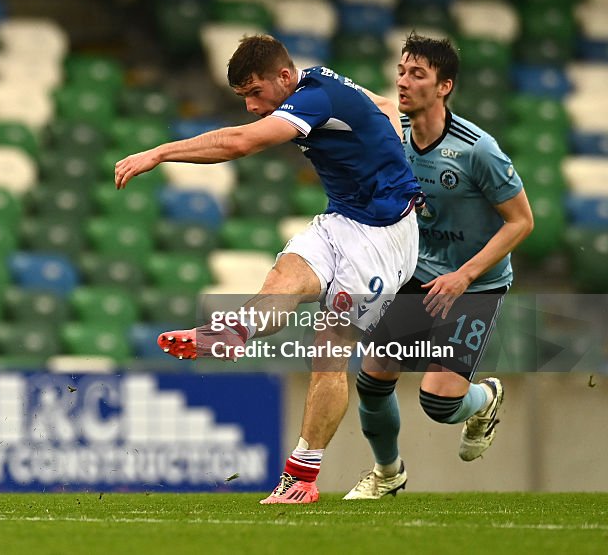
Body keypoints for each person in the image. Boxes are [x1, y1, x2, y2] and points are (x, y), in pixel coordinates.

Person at [114, 34, 423, 504]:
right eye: (244, 98)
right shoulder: (321, 82)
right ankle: (234, 332)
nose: (253, 107)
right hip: (340, 219)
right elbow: (381, 105)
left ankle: (302, 474)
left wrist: (158, 152)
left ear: (283, 77)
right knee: (282, 280)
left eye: (255, 93)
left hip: (384, 239)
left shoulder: (314, 97)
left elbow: (238, 144)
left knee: (329, 352)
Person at [343, 32, 534, 500]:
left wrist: (465, 274)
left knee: (439, 403)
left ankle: (484, 399)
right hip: (420, 276)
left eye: (417, 74)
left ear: (444, 86)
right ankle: (388, 475)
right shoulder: (396, 139)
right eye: (401, 72)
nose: (404, 82)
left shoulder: (477, 150)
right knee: (372, 378)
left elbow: (521, 222)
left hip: (475, 284)